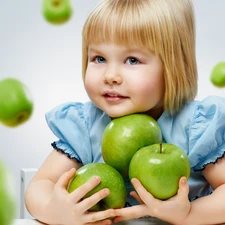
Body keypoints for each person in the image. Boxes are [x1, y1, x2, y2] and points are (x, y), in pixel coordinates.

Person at [25, 0, 225, 224]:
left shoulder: (195, 125)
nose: (111, 75)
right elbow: (39, 185)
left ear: (173, 67)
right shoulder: (85, 125)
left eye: (132, 60)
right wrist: (54, 211)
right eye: (99, 58)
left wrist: (189, 215)